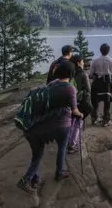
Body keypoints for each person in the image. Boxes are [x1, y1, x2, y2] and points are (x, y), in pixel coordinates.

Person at [17, 61, 83, 193]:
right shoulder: (70, 88)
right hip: (61, 125)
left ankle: (35, 178)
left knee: (37, 155)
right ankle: (57, 173)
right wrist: (80, 114)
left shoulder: (50, 85)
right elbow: (74, 111)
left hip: (35, 126)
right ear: (71, 73)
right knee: (62, 147)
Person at [89, 44, 112, 126]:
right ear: (108, 51)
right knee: (107, 101)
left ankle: (94, 119)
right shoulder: (111, 60)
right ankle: (105, 121)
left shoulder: (95, 60)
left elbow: (91, 74)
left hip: (97, 83)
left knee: (95, 101)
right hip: (107, 83)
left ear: (100, 50)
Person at [67, 54, 92, 154]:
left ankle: (68, 142)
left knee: (71, 122)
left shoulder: (70, 73)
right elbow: (88, 90)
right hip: (80, 102)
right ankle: (72, 145)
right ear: (78, 63)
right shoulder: (83, 74)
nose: (83, 62)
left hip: (70, 101)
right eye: (82, 61)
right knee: (78, 123)